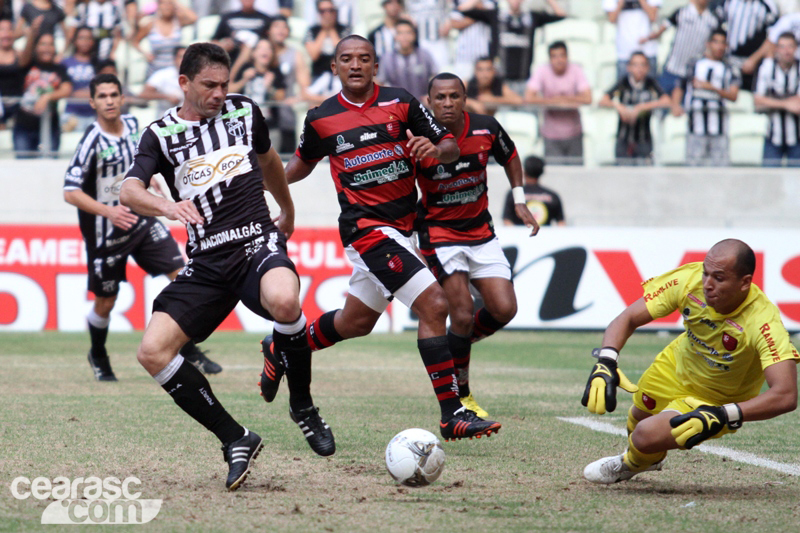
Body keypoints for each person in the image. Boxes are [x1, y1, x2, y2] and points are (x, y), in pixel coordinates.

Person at [120, 43, 334, 492]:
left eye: (224, 84)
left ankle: (303, 406)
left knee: (285, 300)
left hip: (256, 240)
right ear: (184, 83)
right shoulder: (159, 134)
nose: (219, 93)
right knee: (152, 352)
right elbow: (129, 191)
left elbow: (269, 161)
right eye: (209, 85)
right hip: (207, 261)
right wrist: (167, 206)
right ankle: (236, 438)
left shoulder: (244, 111)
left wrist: (287, 209)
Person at [276, 35, 502, 442]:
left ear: (376, 66)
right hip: (365, 230)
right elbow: (300, 165)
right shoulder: (321, 118)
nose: (356, 65)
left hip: (402, 229)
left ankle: (281, 348)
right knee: (435, 303)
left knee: (356, 322)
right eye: (347, 59)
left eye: (364, 58)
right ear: (334, 67)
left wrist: (437, 150)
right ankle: (452, 414)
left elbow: (450, 145)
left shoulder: (402, 102)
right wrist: (258, 183)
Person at [581, 239, 799, 484]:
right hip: (675, 367)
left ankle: (630, 463)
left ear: (745, 282)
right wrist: (606, 360)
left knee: (644, 436)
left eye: (719, 278)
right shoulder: (688, 280)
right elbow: (628, 317)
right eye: (706, 273)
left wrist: (724, 414)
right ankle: (650, 459)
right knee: (639, 415)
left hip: (715, 399)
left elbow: (786, 395)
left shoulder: (764, 322)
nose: (707, 284)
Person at [63, 73, 220, 382]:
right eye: (102, 96)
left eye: (114, 95)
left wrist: (151, 180)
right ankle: (98, 353)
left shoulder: (134, 125)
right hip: (106, 233)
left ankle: (187, 348)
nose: (109, 101)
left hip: (140, 220)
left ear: (123, 98)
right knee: (106, 302)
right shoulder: (91, 141)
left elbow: (140, 162)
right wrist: (108, 211)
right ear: (92, 102)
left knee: (182, 274)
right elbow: (70, 192)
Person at [416, 72, 539, 417]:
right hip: (439, 234)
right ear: (429, 102)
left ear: (465, 99)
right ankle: (463, 395)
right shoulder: (418, 138)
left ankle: (454, 343)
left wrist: (519, 200)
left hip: (481, 233)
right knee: (462, 312)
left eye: (454, 96)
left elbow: (510, 156)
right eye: (440, 97)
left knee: (504, 309)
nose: (447, 103)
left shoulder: (486, 128)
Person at [672, 30, 740, 167]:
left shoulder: (730, 67)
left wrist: (711, 87)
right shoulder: (694, 63)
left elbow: (733, 95)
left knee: (720, 167)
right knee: (693, 166)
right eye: (716, 42)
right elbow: (680, 86)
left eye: (723, 43)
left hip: (719, 125)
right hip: (695, 124)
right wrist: (675, 105)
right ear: (708, 44)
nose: (719, 47)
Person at [524, 41, 591, 165]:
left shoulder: (576, 70)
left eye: (562, 55)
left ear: (567, 57)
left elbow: (588, 98)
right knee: (554, 173)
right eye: (554, 56)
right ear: (549, 59)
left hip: (574, 134)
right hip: (551, 135)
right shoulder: (542, 71)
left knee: (576, 173)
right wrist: (553, 101)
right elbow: (528, 97)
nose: (559, 60)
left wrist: (565, 100)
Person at [14, 17, 73, 158]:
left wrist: (47, 96)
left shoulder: (59, 69)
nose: (47, 48)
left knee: (49, 163)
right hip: (24, 125)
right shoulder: (27, 64)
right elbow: (24, 56)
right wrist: (31, 35)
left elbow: (67, 89)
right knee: (21, 166)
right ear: (36, 47)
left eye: (50, 44)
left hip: (50, 126)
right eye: (43, 44)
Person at [599, 51, 671, 165]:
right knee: (622, 171)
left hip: (644, 139)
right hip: (623, 138)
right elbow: (603, 100)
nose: (639, 69)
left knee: (644, 172)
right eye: (635, 65)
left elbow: (666, 101)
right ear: (629, 67)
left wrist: (643, 107)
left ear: (647, 68)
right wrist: (619, 107)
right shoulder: (623, 82)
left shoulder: (650, 83)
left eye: (643, 65)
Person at [640, 0, 720, 96]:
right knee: (662, 98)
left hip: (693, 73)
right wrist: (648, 38)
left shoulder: (713, 20)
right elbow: (662, 29)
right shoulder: (682, 12)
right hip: (672, 67)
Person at [497, 0, 565, 96]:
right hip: (501, 82)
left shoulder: (531, 17)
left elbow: (561, 16)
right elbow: (472, 12)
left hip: (525, 80)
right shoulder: (497, 16)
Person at [754, 32, 800, 167]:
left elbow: (798, 106)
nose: (786, 51)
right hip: (773, 136)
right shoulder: (767, 67)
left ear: (796, 48)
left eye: (790, 46)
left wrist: (771, 101)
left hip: (797, 138)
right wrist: (786, 104)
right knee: (769, 177)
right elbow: (757, 101)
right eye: (782, 46)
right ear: (776, 49)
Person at [268, 15, 311, 153]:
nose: (281, 30)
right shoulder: (261, 50)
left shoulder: (295, 54)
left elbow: (305, 85)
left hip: (286, 110)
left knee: (286, 152)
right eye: (276, 26)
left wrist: (298, 98)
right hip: (265, 110)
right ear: (268, 30)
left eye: (284, 27)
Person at [715, 0, 778, 92]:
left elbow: (772, 38)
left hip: (753, 63)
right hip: (727, 61)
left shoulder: (768, 6)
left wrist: (754, 59)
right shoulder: (727, 2)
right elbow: (717, 30)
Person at [131, 0, 196, 79]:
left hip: (174, 71)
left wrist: (175, 2)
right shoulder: (150, 24)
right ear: (158, 5)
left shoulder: (178, 22)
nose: (166, 7)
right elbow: (135, 41)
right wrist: (145, 54)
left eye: (169, 4)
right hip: (155, 70)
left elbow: (193, 18)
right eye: (163, 3)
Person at [377, 19, 437, 102]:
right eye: (400, 33)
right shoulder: (387, 58)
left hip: (422, 104)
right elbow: (379, 82)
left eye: (408, 33)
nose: (404, 37)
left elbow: (435, 77)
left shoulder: (424, 55)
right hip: (397, 105)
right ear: (395, 36)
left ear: (414, 35)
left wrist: (430, 95)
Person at [603, 0, 660, 80]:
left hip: (647, 51)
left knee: (651, 86)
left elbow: (653, 16)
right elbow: (612, 19)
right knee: (623, 86)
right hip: (625, 51)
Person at [502, 155, 564, 227]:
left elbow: (507, 221)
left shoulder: (514, 193)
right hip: (544, 234)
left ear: (524, 172)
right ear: (542, 172)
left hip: (520, 234)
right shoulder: (553, 196)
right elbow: (561, 223)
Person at [212, 0, 272, 65]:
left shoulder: (266, 19)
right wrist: (224, 45)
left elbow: (271, 42)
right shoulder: (227, 17)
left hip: (255, 59)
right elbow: (213, 41)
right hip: (230, 55)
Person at [61, 26, 97, 133]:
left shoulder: (98, 63)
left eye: (88, 38)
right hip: (71, 114)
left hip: (94, 115)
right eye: (81, 38)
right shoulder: (64, 63)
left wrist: (76, 93)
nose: (85, 41)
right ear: (75, 40)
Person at [304, 0, 349, 86]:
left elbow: (343, 52)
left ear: (335, 12)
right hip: (318, 74)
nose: (327, 14)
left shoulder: (344, 29)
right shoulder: (312, 31)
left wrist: (331, 29)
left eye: (330, 10)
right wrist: (324, 30)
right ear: (318, 13)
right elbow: (314, 55)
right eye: (323, 11)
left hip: (339, 75)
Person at [450, 0, 497, 80]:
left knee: (484, 84)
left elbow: (491, 13)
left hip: (483, 52)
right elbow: (455, 23)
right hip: (464, 53)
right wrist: (479, 15)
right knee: (463, 83)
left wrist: (467, 11)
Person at [404, 0, 452, 70]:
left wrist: (449, 23)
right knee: (422, 70)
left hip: (439, 39)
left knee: (443, 70)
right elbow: (403, 11)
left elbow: (451, 7)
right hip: (419, 41)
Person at [139, 45, 184, 117]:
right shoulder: (163, 75)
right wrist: (166, 97)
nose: (184, 60)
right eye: (181, 57)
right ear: (174, 58)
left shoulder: (195, 76)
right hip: (165, 118)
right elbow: (144, 94)